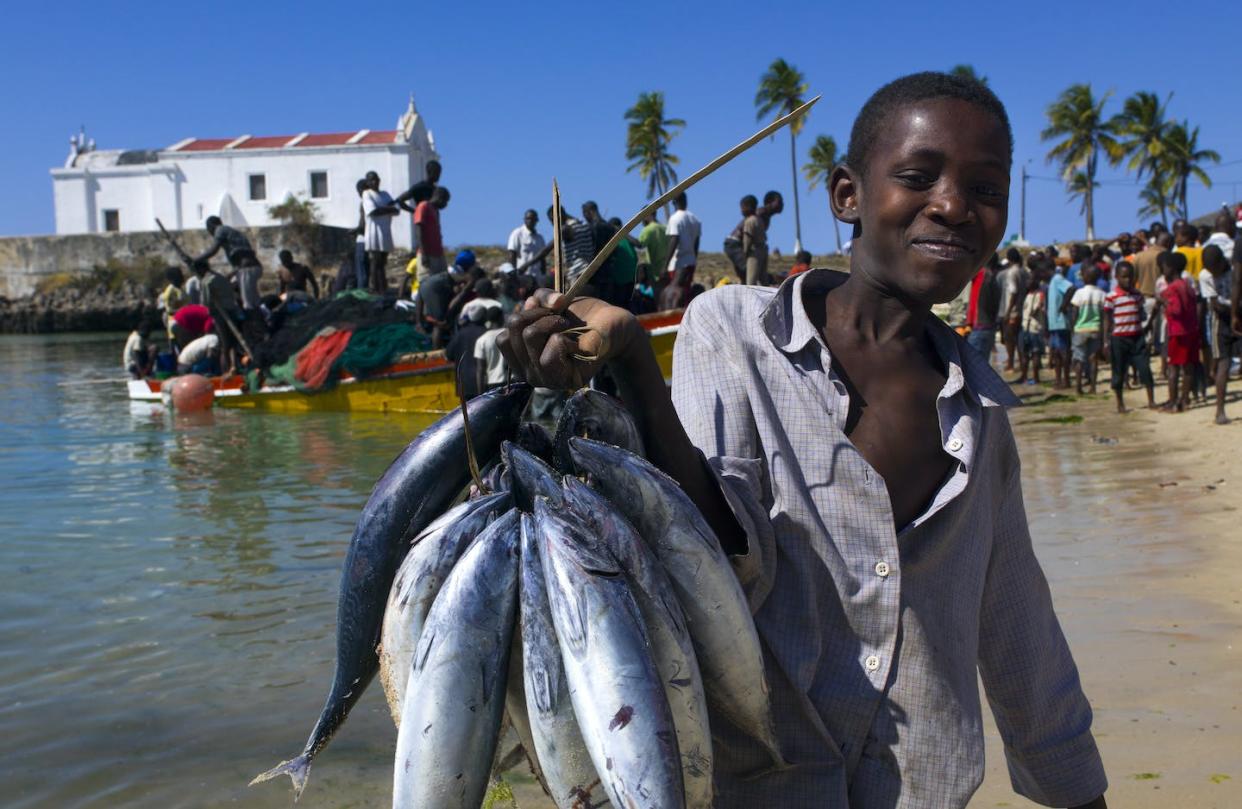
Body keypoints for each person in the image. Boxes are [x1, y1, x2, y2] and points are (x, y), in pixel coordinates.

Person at [498, 71, 1107, 809]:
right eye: (918, 177)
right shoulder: (731, 331)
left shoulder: (980, 420)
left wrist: (1079, 793)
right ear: (846, 194)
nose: (953, 206)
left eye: (985, 190)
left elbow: (1021, 634)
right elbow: (710, 552)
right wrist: (632, 364)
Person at [1103, 262, 1155, 412]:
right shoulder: (1111, 297)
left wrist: (1147, 330)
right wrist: (1106, 341)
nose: (1128, 280)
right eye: (1124, 277)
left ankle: (1151, 400)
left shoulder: (1137, 295)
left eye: (1130, 277)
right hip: (1119, 339)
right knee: (1119, 372)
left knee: (1145, 369)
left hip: (1137, 338)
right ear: (1117, 277)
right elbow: (1107, 319)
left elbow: (1141, 314)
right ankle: (1120, 403)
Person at [1156, 251, 1199, 412]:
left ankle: (1174, 402)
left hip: (1177, 332)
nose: (1162, 269)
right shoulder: (1186, 284)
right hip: (1190, 330)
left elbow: (1176, 310)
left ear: (1171, 268)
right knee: (1188, 368)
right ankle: (1184, 400)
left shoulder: (1172, 288)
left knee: (1173, 368)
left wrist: (1163, 301)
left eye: (1164, 266)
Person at [193, 216, 263, 312]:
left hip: (247, 270)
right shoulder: (233, 233)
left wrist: (195, 260)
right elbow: (239, 260)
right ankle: (261, 318)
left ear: (211, 226)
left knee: (248, 304)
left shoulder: (220, 230)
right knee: (252, 299)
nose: (210, 233)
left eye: (208, 229)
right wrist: (230, 275)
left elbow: (213, 250)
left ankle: (255, 323)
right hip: (252, 268)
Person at [1200, 245, 1234, 423]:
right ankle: (1220, 411)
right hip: (1221, 321)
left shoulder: (1234, 268)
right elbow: (1215, 305)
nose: (1214, 273)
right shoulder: (1205, 275)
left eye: (1216, 269)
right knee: (1224, 363)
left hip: (1239, 315)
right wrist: (1234, 310)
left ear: (1223, 261)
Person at [1068, 265, 1106, 394]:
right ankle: (1093, 387)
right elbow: (1103, 315)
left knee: (1079, 358)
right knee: (1093, 358)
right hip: (1095, 329)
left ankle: (1078, 387)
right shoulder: (1101, 294)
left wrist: (1072, 328)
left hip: (1080, 330)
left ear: (1085, 277)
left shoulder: (1079, 293)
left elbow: (1074, 313)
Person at [361, 171, 399, 294]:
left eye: (376, 179)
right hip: (374, 232)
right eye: (371, 180)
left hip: (385, 231)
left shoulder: (385, 194)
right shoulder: (367, 194)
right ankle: (374, 287)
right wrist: (389, 208)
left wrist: (384, 209)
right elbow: (372, 211)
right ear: (367, 182)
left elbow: (396, 209)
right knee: (375, 261)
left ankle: (382, 287)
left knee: (382, 261)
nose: (375, 182)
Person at [410, 187, 451, 292]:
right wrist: (423, 253)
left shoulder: (435, 211)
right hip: (427, 254)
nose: (446, 205)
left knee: (441, 282)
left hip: (438, 254)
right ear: (439, 197)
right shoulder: (423, 206)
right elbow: (419, 229)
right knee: (425, 284)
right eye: (445, 201)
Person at [665, 192, 701, 306]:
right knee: (685, 294)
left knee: (675, 293)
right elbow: (696, 243)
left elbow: (674, 240)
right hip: (690, 261)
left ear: (674, 203)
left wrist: (665, 265)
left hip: (678, 263)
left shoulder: (675, 218)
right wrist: (694, 258)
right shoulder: (695, 219)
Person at [445, 304, 489, 399]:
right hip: (483, 383)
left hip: (464, 384)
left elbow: (448, 355)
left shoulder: (460, 334)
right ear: (484, 317)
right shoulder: (487, 333)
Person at [996, 247, 1027, 371]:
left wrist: (1008, 312)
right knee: (1018, 338)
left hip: (1012, 311)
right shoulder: (1023, 271)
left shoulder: (1011, 273)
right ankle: (1021, 362)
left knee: (1009, 338)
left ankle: (1011, 363)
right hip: (1021, 309)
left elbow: (1013, 292)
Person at [967, 253, 1001, 361]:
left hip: (980, 327)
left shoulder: (982, 275)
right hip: (989, 327)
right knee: (982, 364)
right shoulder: (993, 278)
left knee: (972, 365)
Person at [1046, 260, 1074, 388]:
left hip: (1061, 322)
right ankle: (1058, 379)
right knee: (1057, 353)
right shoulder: (1051, 282)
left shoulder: (1057, 278)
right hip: (1054, 324)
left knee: (1063, 352)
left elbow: (1071, 288)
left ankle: (1066, 380)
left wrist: (1064, 305)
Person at [1015, 269, 1045, 385]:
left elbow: (1035, 310)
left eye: (1030, 279)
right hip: (1025, 327)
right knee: (1024, 353)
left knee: (1036, 353)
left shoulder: (1039, 295)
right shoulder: (1028, 295)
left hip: (1034, 328)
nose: (1027, 282)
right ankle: (1024, 376)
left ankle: (1036, 378)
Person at [472, 306, 507, 393]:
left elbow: (480, 369)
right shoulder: (509, 334)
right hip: (511, 381)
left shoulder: (481, 340)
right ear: (501, 317)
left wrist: (480, 394)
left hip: (492, 384)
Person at [723, 195, 758, 281]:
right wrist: (746, 251)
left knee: (744, 270)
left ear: (749, 207)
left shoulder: (751, 219)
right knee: (745, 268)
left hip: (736, 245)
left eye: (743, 207)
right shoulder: (750, 220)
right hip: (734, 244)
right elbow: (747, 237)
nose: (741, 210)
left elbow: (748, 237)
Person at [507, 209, 546, 276]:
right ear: (524, 219)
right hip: (522, 275)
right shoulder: (517, 234)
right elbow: (512, 255)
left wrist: (543, 274)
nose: (530, 221)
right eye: (528, 218)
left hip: (537, 276)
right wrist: (513, 274)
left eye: (532, 219)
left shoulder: (540, 238)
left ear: (536, 220)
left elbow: (543, 259)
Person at [637, 211, 669, 290]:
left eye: (642, 217)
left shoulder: (646, 231)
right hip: (667, 273)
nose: (641, 221)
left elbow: (641, 252)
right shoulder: (665, 228)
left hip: (653, 276)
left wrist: (641, 273)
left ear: (647, 216)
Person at [158, 267, 188, 347]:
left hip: (185, 323)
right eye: (179, 275)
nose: (182, 277)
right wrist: (185, 311)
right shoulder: (170, 291)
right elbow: (170, 310)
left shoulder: (181, 289)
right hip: (175, 323)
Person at [351, 178, 369, 290]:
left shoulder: (364, 202)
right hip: (373, 241)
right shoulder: (377, 200)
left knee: (361, 270)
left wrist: (354, 231)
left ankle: (362, 293)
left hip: (363, 240)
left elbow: (362, 225)